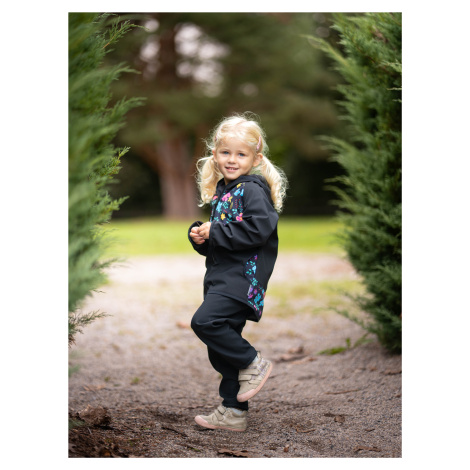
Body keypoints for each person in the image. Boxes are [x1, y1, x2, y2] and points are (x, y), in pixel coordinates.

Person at [188, 113, 288, 432]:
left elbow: (258, 230)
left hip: (242, 279)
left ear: (255, 159)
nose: (232, 159)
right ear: (215, 154)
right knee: (220, 351)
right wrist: (203, 238)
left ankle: (253, 361)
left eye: (241, 154)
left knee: (204, 322)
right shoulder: (225, 190)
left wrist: (216, 231)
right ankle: (233, 411)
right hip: (223, 278)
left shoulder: (252, 190)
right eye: (226, 152)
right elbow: (227, 241)